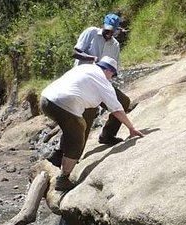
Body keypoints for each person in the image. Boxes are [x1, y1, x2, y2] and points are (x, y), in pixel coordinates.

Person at [40, 56, 144, 191]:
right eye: (113, 75)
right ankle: (63, 179)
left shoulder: (84, 68)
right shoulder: (102, 80)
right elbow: (117, 109)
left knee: (71, 126)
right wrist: (131, 128)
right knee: (77, 135)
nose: (111, 78)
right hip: (65, 103)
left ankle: (57, 155)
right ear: (109, 71)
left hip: (46, 99)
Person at [73, 13, 132, 145]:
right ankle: (61, 153)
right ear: (103, 26)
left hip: (101, 83)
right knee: (85, 119)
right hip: (82, 82)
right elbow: (75, 53)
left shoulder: (115, 45)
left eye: (112, 32)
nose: (109, 34)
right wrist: (92, 59)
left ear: (117, 31)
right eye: (107, 31)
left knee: (123, 101)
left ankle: (107, 135)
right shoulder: (91, 33)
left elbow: (114, 70)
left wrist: (109, 73)